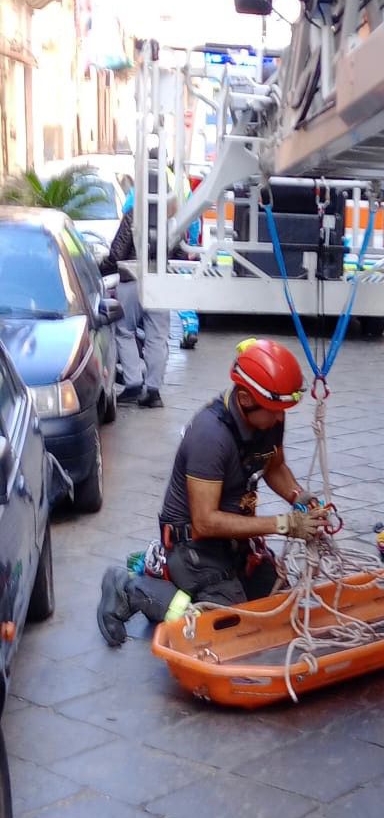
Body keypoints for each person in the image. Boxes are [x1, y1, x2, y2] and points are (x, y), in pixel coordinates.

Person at [97, 338, 326, 645]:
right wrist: (285, 525)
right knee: (223, 628)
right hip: (195, 547)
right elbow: (206, 521)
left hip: (233, 542)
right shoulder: (210, 435)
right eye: (275, 410)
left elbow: (274, 466)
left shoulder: (268, 417)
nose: (281, 418)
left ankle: (186, 579)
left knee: (275, 604)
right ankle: (131, 589)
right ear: (245, 399)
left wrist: (301, 498)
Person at [101, 169, 177, 407]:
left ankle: (133, 382)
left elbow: (116, 253)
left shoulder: (134, 215)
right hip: (162, 282)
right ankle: (153, 391)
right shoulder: (172, 218)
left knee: (124, 330)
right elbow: (181, 250)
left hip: (132, 280)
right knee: (157, 337)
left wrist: (99, 267)